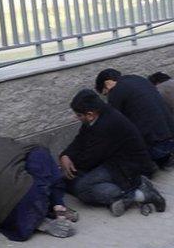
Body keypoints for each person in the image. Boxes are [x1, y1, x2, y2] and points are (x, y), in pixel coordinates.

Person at [0, 125, 77, 242]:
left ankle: (34, 220)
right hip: (31, 196)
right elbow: (34, 148)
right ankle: (57, 205)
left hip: (6, 218)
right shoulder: (1, 142)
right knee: (39, 151)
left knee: (14, 199)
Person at [59, 89, 166, 217]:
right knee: (68, 178)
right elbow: (80, 140)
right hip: (112, 161)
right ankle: (129, 192)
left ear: (90, 114)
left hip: (128, 166)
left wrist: (72, 168)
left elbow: (91, 158)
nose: (76, 118)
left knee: (82, 188)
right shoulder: (98, 116)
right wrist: (66, 155)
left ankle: (137, 194)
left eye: (79, 115)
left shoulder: (107, 124)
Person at [95, 69, 174, 168]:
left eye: (105, 93)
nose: (107, 96)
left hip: (156, 146)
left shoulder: (116, 91)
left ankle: (153, 163)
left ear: (107, 84)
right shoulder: (139, 79)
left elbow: (114, 123)